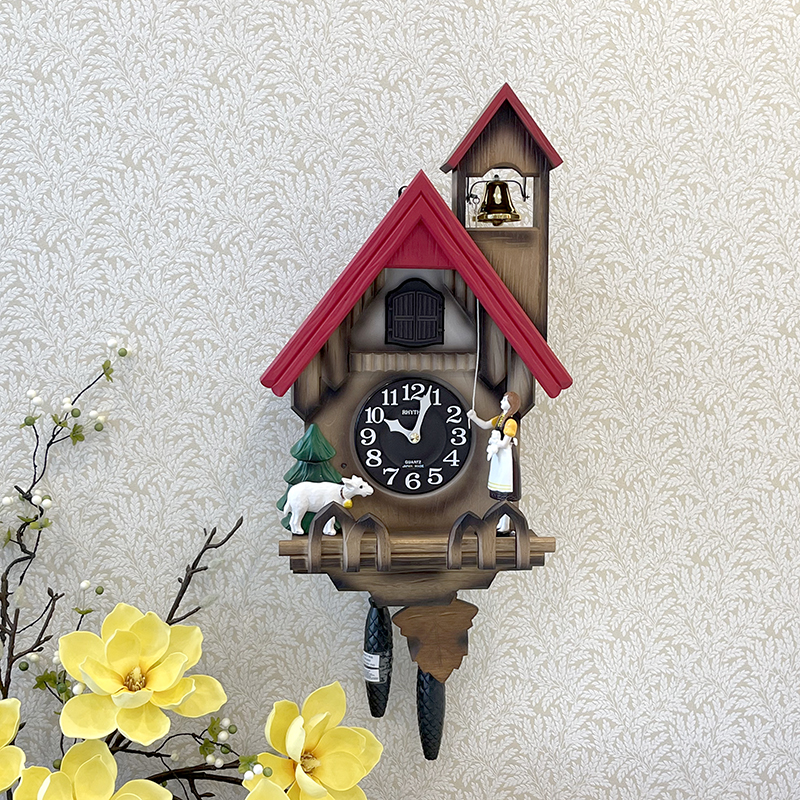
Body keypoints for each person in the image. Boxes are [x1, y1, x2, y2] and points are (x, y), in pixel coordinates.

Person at [466, 391, 520, 500]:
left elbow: (504, 444)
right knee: (497, 474)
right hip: (498, 453)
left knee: (504, 476)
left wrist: (494, 442)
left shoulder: (511, 422)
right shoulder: (500, 418)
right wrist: (474, 417)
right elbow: (485, 425)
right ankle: (498, 498)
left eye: (504, 400)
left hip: (505, 454)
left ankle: (505, 500)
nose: (501, 401)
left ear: (511, 404)